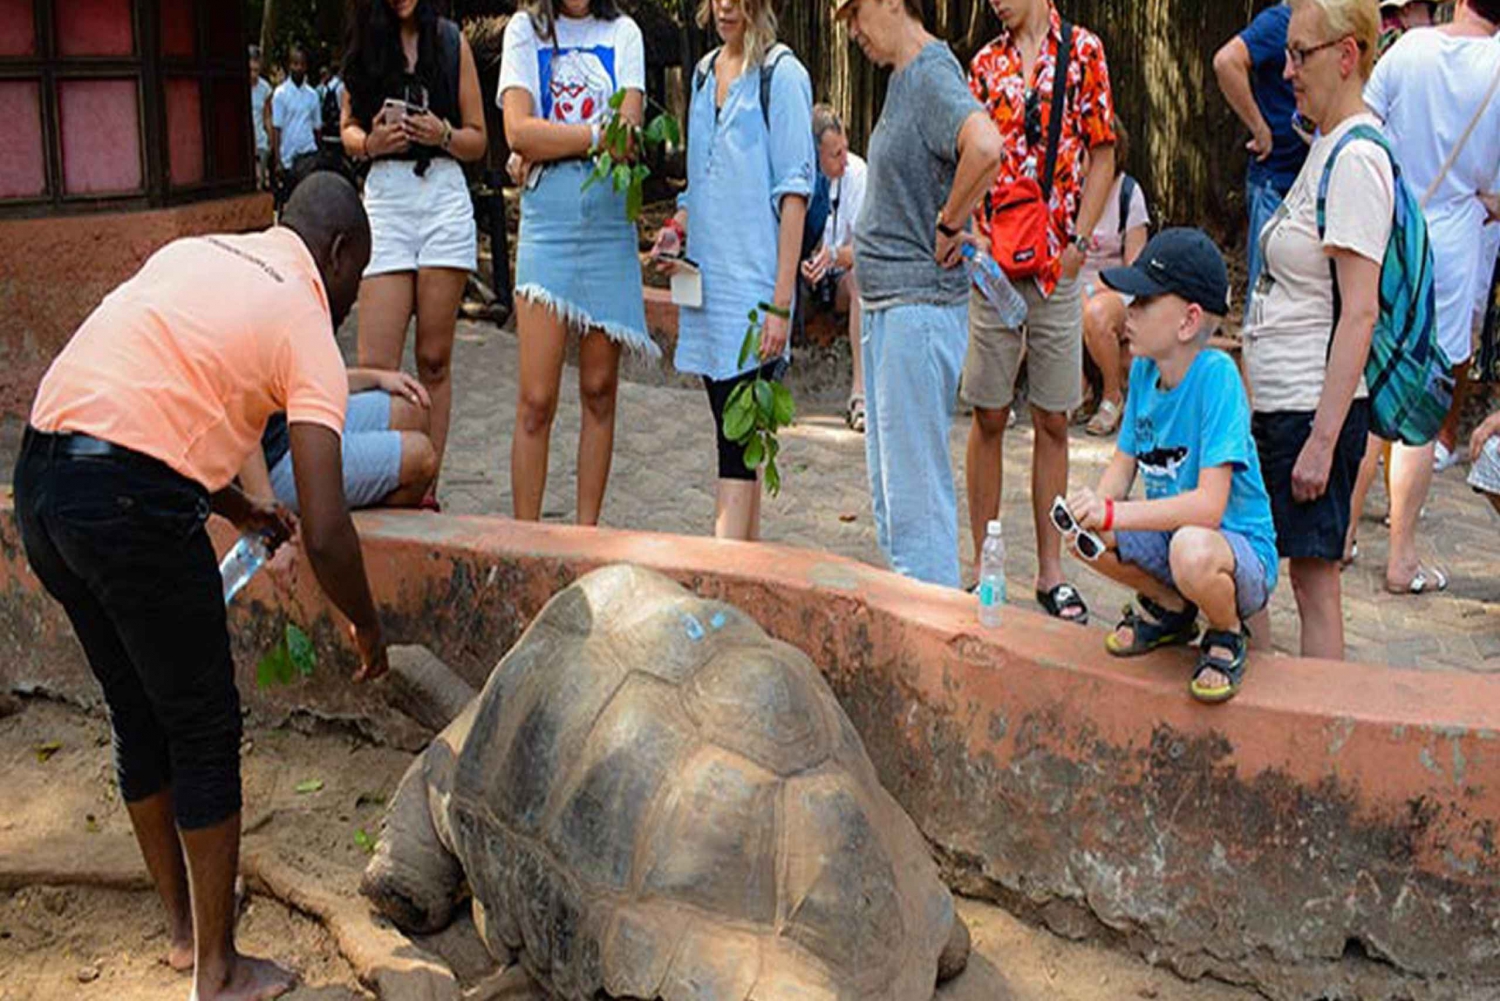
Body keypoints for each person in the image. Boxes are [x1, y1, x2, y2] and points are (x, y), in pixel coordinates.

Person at [12, 174, 387, 1001]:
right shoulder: (305, 317)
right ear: (339, 253)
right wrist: (367, 627)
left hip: (40, 482)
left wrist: (241, 506)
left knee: (135, 708)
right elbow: (326, 524)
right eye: (357, 274)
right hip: (125, 504)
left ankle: (185, 934)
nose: (353, 294)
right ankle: (219, 971)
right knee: (205, 724)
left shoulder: (197, 255)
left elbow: (146, 400)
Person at [1063, 229, 1277, 703]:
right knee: (1082, 537)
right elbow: (1122, 466)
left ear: (1187, 321)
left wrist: (1115, 514)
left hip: (1232, 552)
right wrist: (1094, 505)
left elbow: (1207, 507)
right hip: (1176, 539)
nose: (1128, 312)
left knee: (1190, 550)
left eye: (1143, 302)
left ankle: (1225, 631)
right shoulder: (1142, 370)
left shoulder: (1217, 378)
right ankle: (1172, 608)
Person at [834, 0, 1002, 587]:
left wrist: (953, 222)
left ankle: (933, 637)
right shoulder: (905, 78)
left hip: (916, 310)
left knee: (916, 503)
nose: (852, 30)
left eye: (855, 14)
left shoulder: (930, 72)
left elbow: (985, 145)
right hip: (890, 309)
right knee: (895, 501)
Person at [964, 0, 1117, 623]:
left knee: (1054, 418)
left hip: (1056, 269)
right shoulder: (983, 64)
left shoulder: (1082, 52)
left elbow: (1103, 150)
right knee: (989, 414)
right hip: (994, 267)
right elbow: (968, 155)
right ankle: (984, 564)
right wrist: (972, 233)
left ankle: (1051, 571)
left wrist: (1078, 243)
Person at [1243, 0, 1384, 660]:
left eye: (1301, 54)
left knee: (1313, 582)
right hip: (1285, 404)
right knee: (1288, 573)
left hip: (1311, 410)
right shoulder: (1323, 141)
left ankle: (1323, 744)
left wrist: (1322, 443)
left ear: (1347, 56)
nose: (1287, 70)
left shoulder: (1355, 158)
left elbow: (1360, 311)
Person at [1343, 0, 1500, 595]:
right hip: (1456, 247)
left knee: (1372, 377)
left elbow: (1363, 132)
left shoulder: (1407, 50)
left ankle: (1345, 534)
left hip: (1388, 233)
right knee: (1423, 397)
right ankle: (1401, 556)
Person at [650, 0, 814, 541]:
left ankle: (723, 580)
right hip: (707, 292)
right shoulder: (701, 75)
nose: (725, 6)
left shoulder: (782, 75)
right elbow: (700, 185)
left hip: (755, 294)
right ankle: (745, 578)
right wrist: (676, 228)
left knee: (735, 446)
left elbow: (794, 193)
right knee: (737, 443)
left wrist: (780, 305)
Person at [499, 0, 652, 526]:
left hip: (610, 225)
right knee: (536, 398)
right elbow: (518, 132)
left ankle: (586, 538)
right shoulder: (525, 30)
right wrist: (592, 137)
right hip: (548, 225)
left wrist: (550, 142)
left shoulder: (624, 33)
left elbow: (628, 138)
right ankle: (527, 542)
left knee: (599, 390)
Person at [341, 0, 488, 511]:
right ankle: (378, 476)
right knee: (375, 363)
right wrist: (371, 143)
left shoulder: (450, 40)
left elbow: (478, 140)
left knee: (433, 358)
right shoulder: (363, 41)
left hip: (442, 194)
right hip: (386, 197)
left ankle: (426, 486)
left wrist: (442, 133)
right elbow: (348, 129)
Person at [1214, 1, 1311, 311]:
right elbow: (1227, 61)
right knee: (1266, 293)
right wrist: (1259, 127)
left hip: (1306, 179)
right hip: (1275, 180)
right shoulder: (1278, 21)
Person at [238, 368, 438, 514]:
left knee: (413, 408)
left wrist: (376, 377)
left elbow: (307, 371)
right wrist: (267, 515)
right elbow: (238, 421)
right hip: (267, 462)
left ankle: (351, 497)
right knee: (421, 457)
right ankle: (352, 522)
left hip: (294, 416)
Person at [1078, 116, 1150, 438]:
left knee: (1093, 313)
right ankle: (1077, 388)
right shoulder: (1068, 189)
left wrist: (1096, 286)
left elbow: (1134, 268)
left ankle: (1111, 395)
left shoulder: (1129, 194)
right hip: (1070, 285)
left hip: (1113, 289)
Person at [800, 104, 869, 432]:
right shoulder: (798, 176)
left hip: (839, 276)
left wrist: (834, 256)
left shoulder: (857, 173)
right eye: (834, 155)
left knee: (861, 282)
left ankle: (860, 393)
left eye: (844, 150)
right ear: (815, 156)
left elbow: (868, 248)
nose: (843, 160)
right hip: (799, 278)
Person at [270, 45, 323, 207]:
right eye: (295, 64)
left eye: (301, 64)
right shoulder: (280, 94)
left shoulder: (313, 95)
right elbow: (276, 129)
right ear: (289, 66)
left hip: (308, 154)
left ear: (306, 67)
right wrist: (277, 160)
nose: (298, 68)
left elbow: (317, 128)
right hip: (288, 158)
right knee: (290, 203)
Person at [250, 47, 273, 191]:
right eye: (251, 69)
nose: (253, 74)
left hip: (260, 142)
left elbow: (267, 116)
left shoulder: (265, 88)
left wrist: (271, 139)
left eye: (256, 70)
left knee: (260, 183)